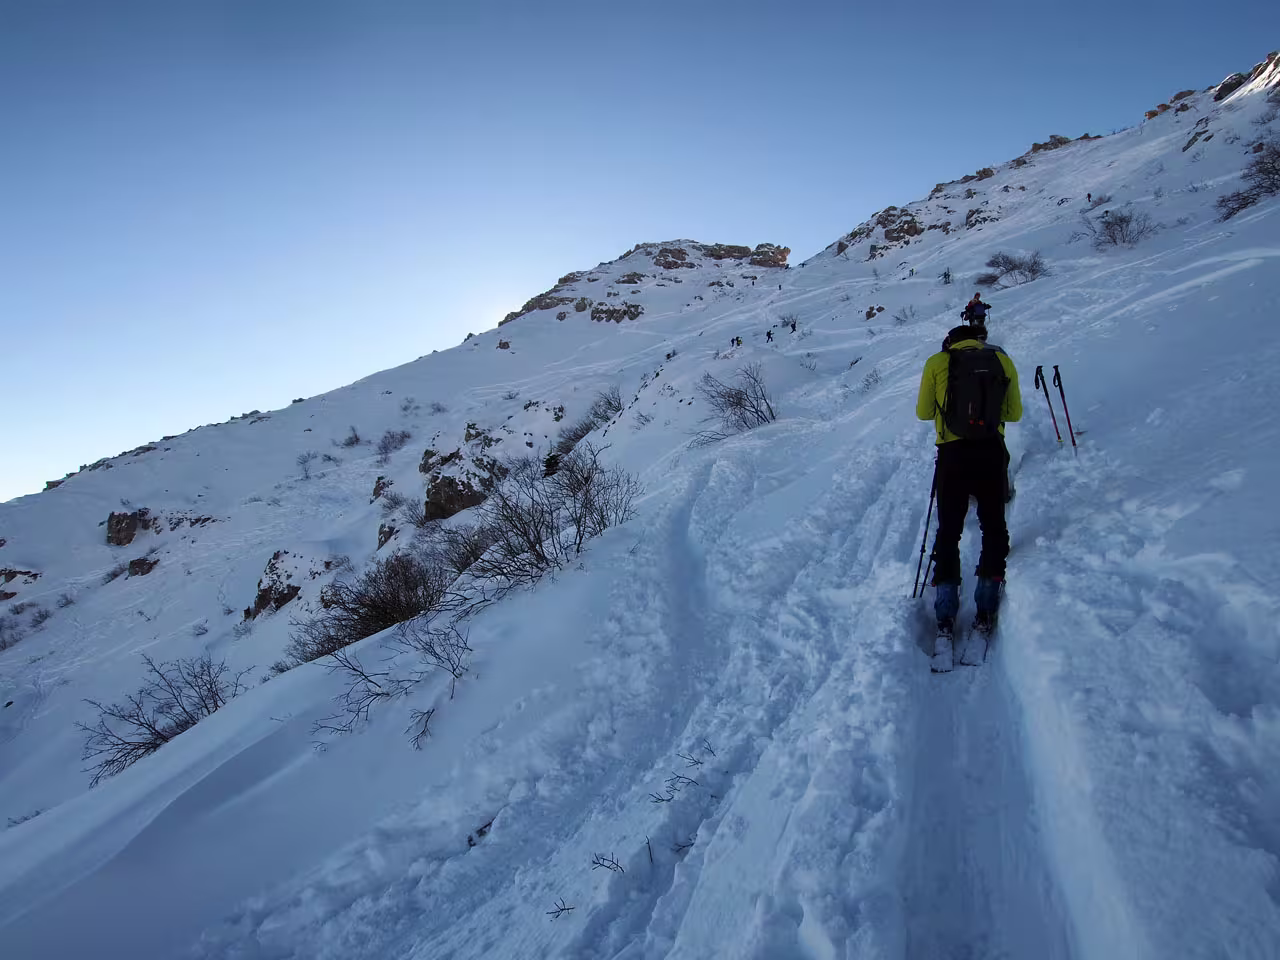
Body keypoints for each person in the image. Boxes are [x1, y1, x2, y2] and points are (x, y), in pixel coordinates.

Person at [916, 325, 1022, 668]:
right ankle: (985, 612)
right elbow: (1013, 413)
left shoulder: (937, 361)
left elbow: (923, 412)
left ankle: (945, 618)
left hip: (952, 456)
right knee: (994, 527)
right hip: (991, 451)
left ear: (949, 342)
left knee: (949, 531)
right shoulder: (1001, 360)